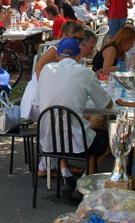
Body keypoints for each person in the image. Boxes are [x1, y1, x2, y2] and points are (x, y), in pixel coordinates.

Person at [37, 38, 112, 195]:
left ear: (58, 56)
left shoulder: (45, 70)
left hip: (49, 141)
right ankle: (84, 183)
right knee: (104, 138)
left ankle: (66, 174)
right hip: (77, 143)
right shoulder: (85, 73)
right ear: (79, 57)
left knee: (65, 124)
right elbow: (106, 105)